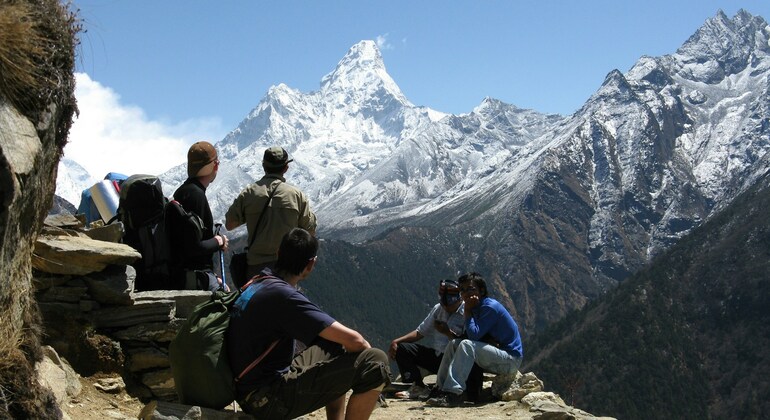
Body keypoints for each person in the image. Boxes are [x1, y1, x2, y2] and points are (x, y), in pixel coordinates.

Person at [226, 228, 390, 420]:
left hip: (250, 390)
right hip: (268, 399)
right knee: (376, 361)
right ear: (311, 264)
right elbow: (357, 341)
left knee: (334, 343)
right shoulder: (285, 297)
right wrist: (370, 374)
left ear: (278, 253)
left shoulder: (259, 282)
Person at [426, 272, 523, 407]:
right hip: (497, 355)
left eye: (471, 289)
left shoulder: (489, 307)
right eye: (463, 290)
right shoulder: (476, 307)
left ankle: (453, 393)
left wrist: (467, 310)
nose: (466, 293)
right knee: (454, 344)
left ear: (481, 290)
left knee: (467, 345)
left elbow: (473, 336)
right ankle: (440, 389)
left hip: (510, 360)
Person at [225, 146, 316, 287]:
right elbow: (310, 231)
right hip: (286, 269)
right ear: (286, 168)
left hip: (255, 269)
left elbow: (230, 224)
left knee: (255, 306)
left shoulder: (249, 192)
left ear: (263, 166)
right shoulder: (297, 195)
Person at [388, 279, 483, 401]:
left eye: (449, 303)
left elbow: (467, 343)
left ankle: (456, 389)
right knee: (403, 348)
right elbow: (420, 332)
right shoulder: (438, 309)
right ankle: (417, 385)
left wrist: (448, 333)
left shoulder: (467, 312)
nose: (446, 307)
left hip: (457, 361)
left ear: (459, 298)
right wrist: (397, 341)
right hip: (438, 357)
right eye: (443, 303)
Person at [168, 141, 228, 289]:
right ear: (215, 166)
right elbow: (194, 247)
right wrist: (218, 241)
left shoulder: (183, 192)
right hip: (196, 277)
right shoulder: (196, 196)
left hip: (183, 275)